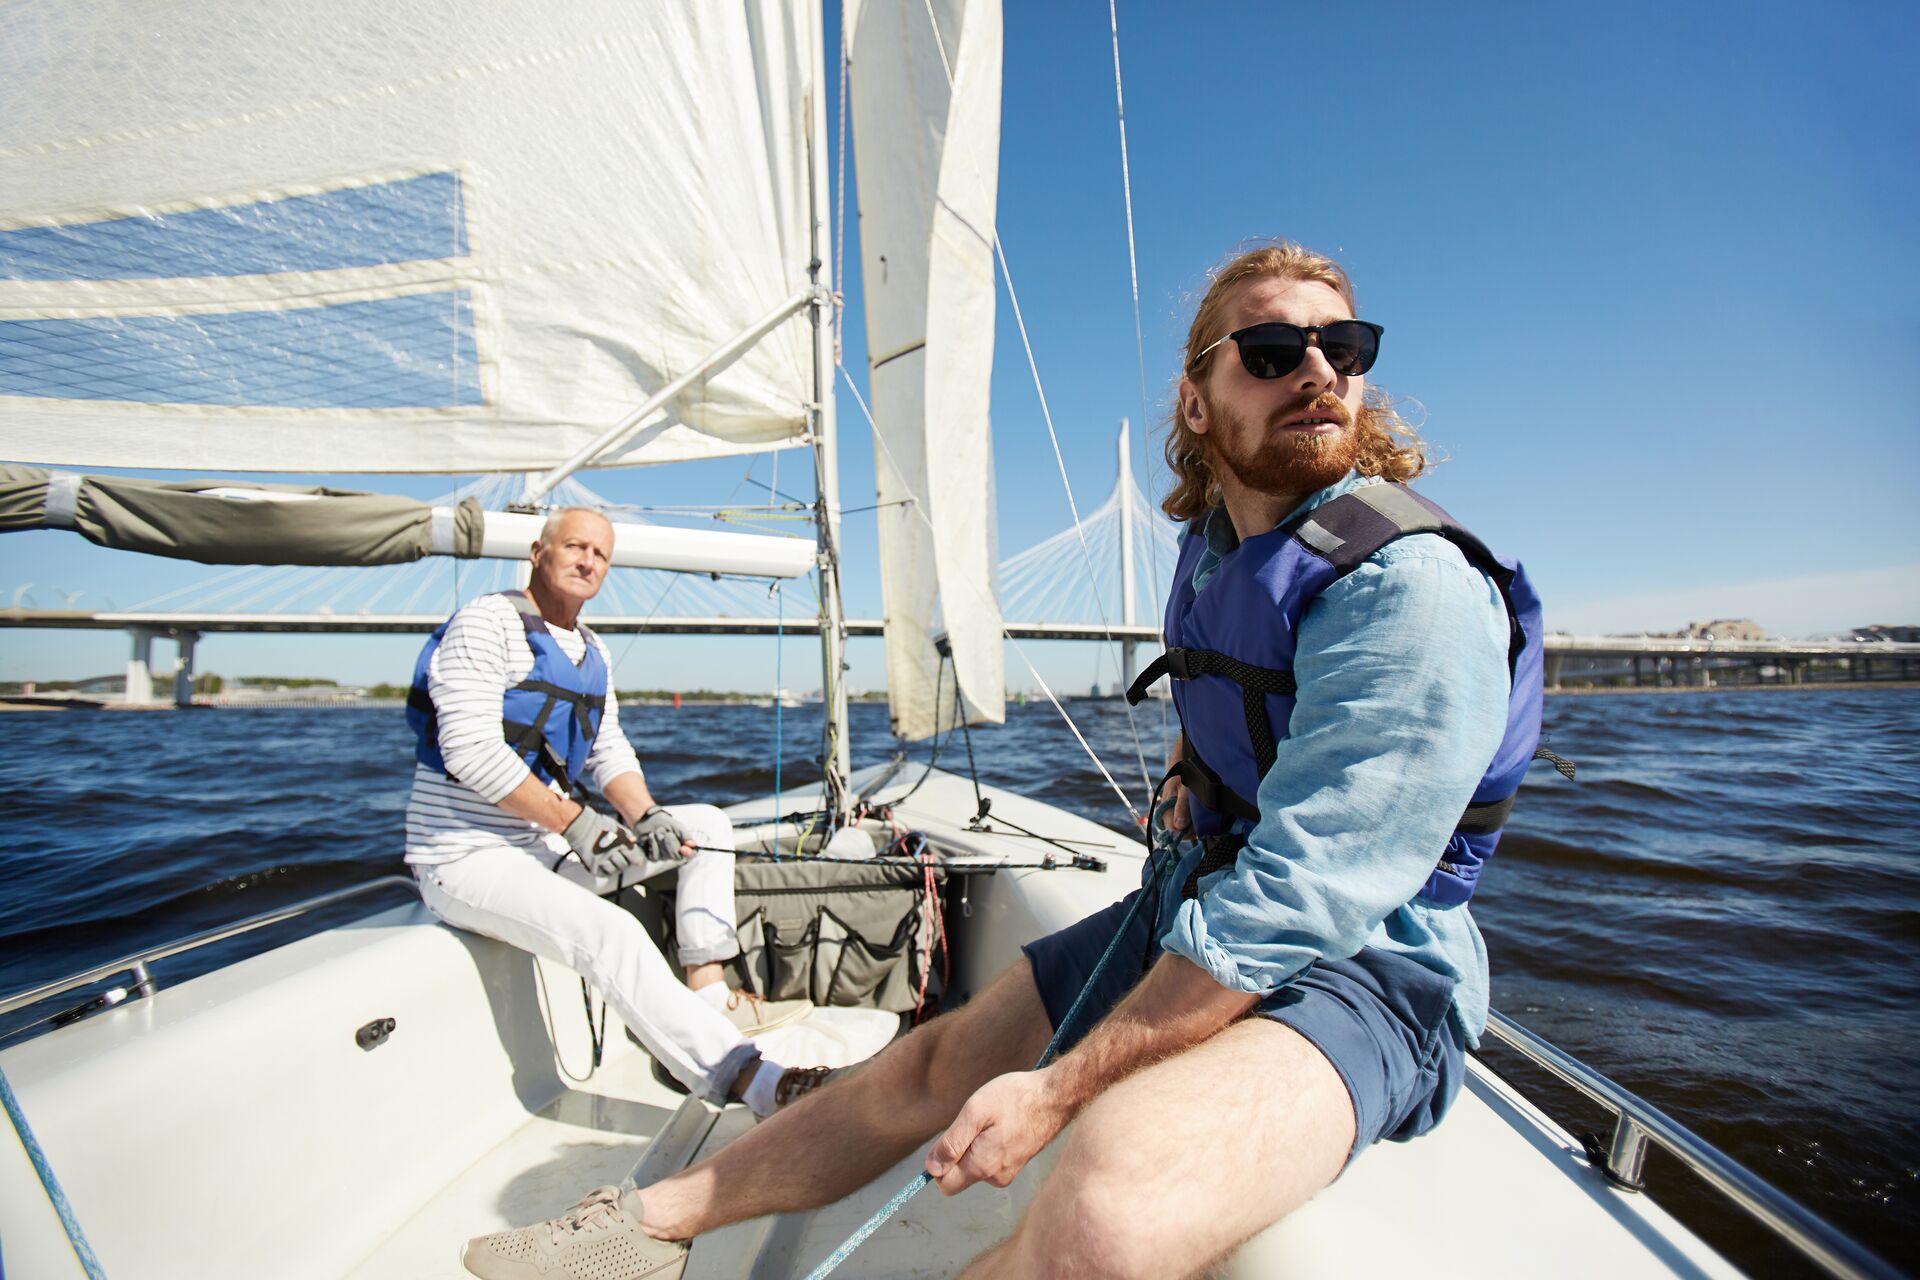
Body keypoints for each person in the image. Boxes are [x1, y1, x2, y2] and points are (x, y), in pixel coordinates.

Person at [460, 243, 1544, 1280]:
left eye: (1344, 348)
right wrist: (1187, 771)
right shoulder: (1219, 547)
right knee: (930, 1061)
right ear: (1197, 400)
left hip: (1369, 969)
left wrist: (1057, 1087)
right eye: (1271, 353)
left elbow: (1308, 895)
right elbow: (1233, 689)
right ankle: (655, 1222)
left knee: (1110, 1197)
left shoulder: (1411, 590)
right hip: (1203, 899)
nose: (1318, 371)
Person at [406, 506, 823, 1121]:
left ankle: (706, 996)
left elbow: (606, 749)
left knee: (704, 824)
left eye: (600, 554)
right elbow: (468, 750)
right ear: (538, 553)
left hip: (545, 851)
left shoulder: (590, 648)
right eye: (574, 547)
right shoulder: (486, 623)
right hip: (465, 857)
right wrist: (575, 823)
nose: (587, 561)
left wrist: (648, 814)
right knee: (613, 933)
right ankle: (753, 1083)